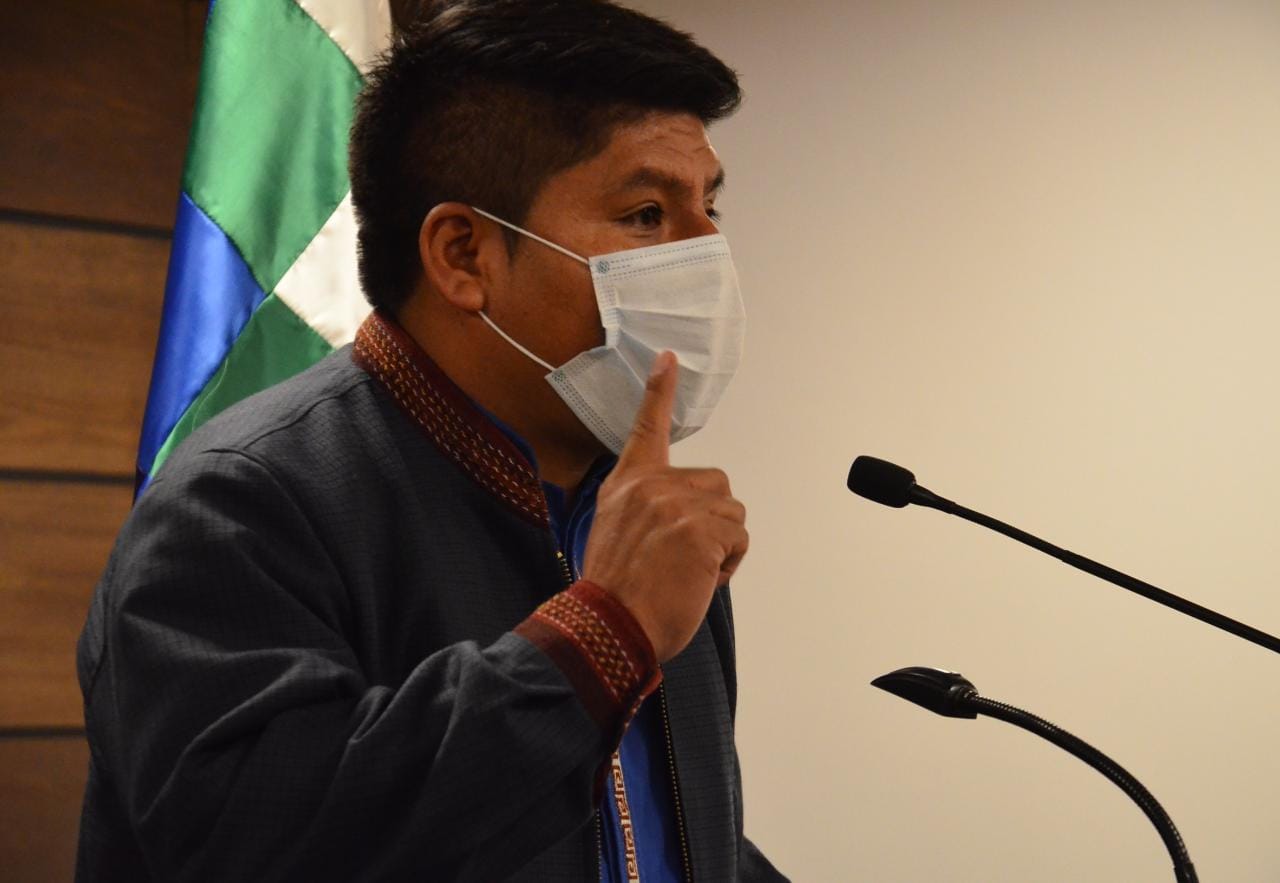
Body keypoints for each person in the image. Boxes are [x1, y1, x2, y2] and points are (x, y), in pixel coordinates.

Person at [76, 1, 787, 880]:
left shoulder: (638, 510)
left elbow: (662, 839)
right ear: (463, 254)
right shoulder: (238, 505)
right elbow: (267, 844)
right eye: (647, 214)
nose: (708, 254)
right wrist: (602, 634)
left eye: (709, 208)